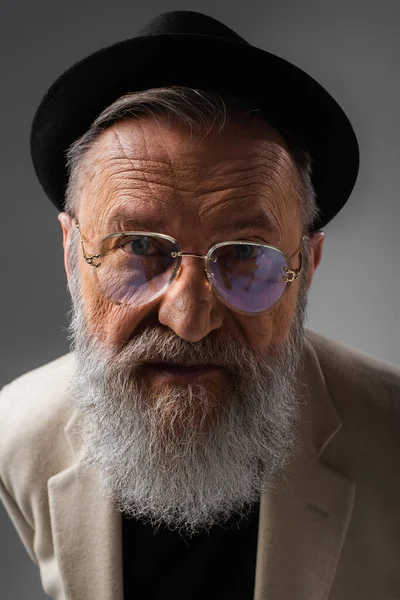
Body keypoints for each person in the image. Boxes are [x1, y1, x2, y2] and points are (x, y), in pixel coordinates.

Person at [0, 10, 399, 600]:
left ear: (306, 269)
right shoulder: (16, 437)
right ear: (70, 253)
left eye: (244, 253)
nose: (188, 319)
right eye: (138, 247)